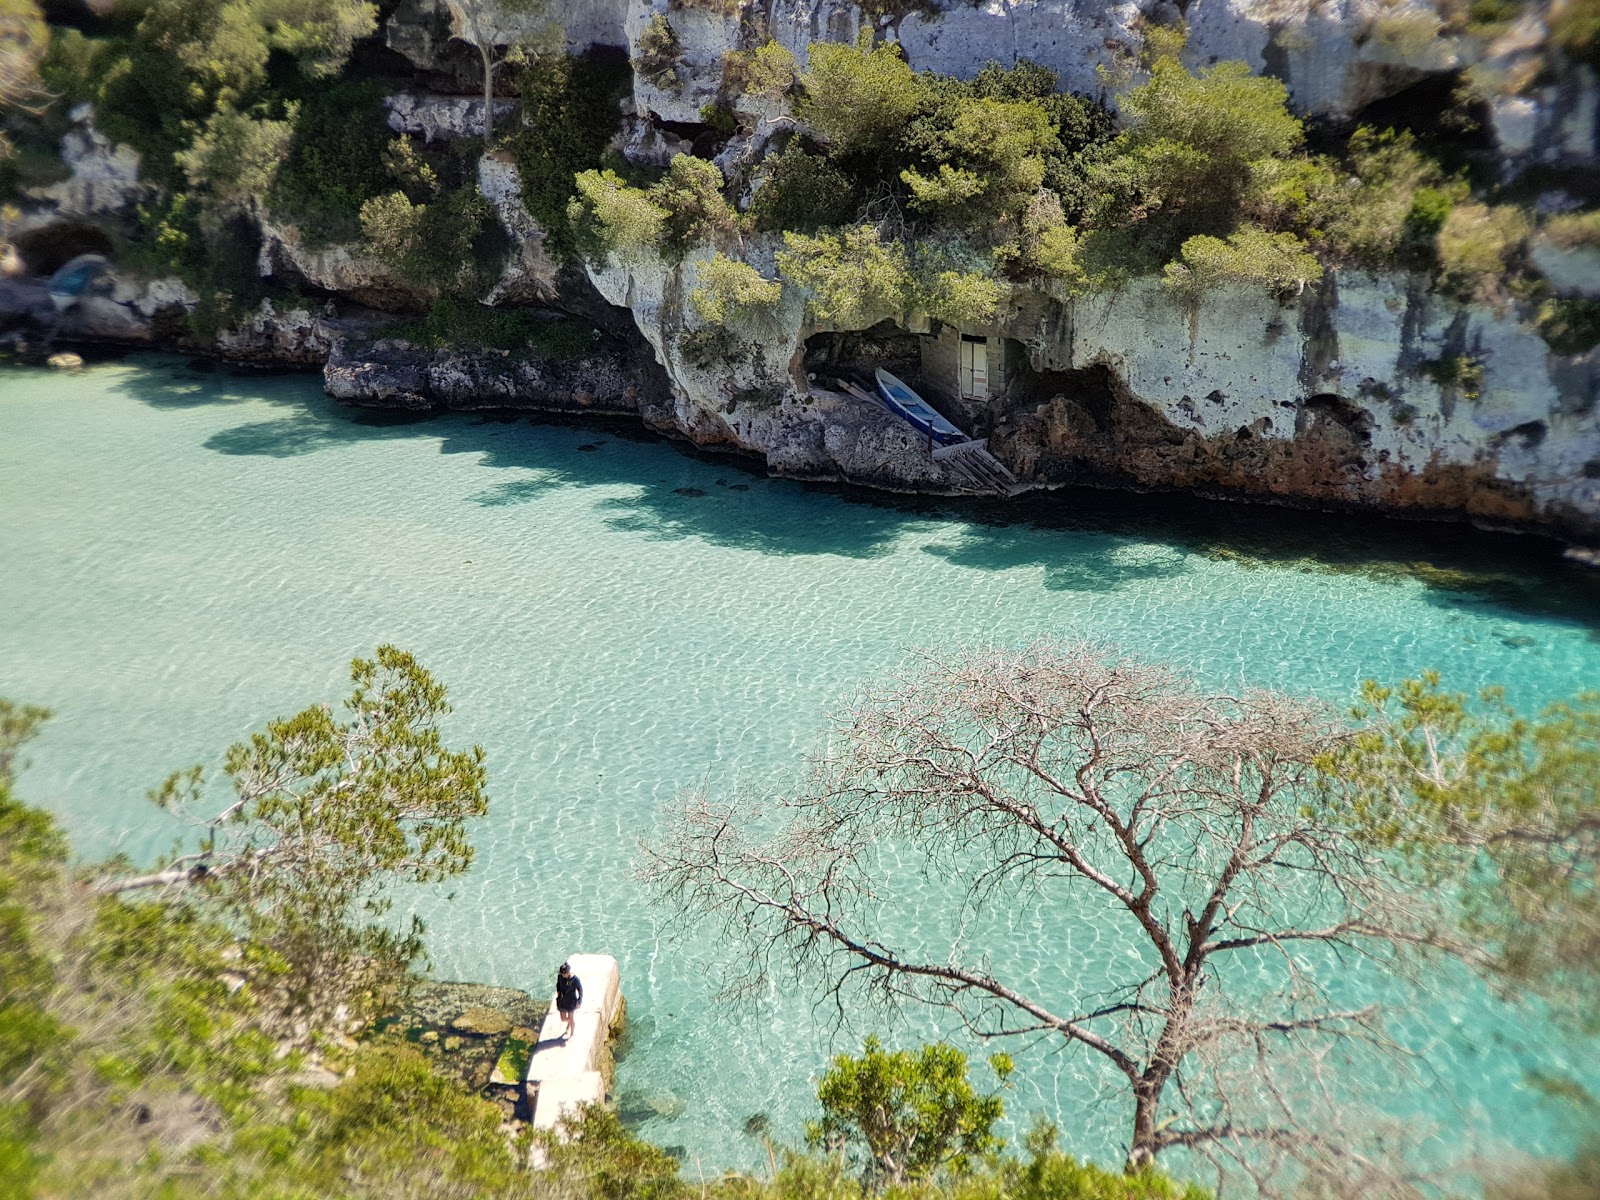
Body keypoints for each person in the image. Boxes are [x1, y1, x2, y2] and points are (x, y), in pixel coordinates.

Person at [554, 961, 582, 1041]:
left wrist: (579, 1000)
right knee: (563, 1019)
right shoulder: (560, 977)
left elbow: (580, 989)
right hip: (562, 1000)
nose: (563, 975)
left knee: (571, 1017)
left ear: (568, 972)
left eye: (564, 974)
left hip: (571, 1000)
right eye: (562, 974)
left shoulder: (575, 979)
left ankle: (572, 1033)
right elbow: (558, 985)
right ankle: (569, 1023)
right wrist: (558, 991)